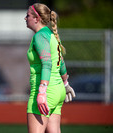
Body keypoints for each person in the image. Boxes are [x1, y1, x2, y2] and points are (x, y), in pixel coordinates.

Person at [25, 3, 76, 133]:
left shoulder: (40, 36)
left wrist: (42, 91)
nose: (25, 18)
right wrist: (65, 84)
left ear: (36, 18)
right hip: (57, 90)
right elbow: (61, 62)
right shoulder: (50, 34)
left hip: (46, 91)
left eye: (28, 15)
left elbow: (47, 64)